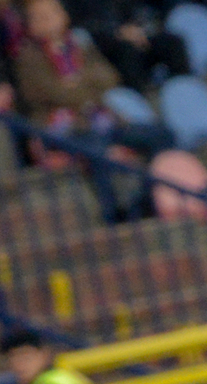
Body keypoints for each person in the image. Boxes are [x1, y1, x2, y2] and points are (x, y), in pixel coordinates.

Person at [12, 0, 175, 221]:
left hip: (103, 120)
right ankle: (114, 213)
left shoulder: (82, 46)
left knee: (160, 134)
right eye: (39, 17)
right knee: (96, 149)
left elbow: (109, 79)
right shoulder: (27, 58)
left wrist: (75, 83)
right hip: (64, 129)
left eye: (52, 12)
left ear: (64, 15)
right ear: (30, 26)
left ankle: (147, 201)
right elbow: (53, 94)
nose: (48, 19)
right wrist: (83, 87)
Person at [59, 0, 188, 94]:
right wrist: (117, 32)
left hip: (134, 35)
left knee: (172, 42)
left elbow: (137, 11)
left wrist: (139, 30)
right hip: (104, 47)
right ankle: (139, 100)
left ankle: (185, 90)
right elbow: (79, 27)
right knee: (126, 51)